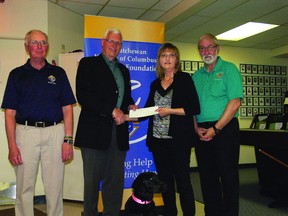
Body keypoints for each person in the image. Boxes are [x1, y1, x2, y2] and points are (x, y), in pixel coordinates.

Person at [1, 29, 76, 216]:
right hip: (26, 133)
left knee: (54, 187)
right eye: (35, 42)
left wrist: (68, 140)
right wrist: (12, 146)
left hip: (54, 133)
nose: (39, 46)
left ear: (47, 47)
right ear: (26, 46)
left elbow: (68, 109)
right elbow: (9, 113)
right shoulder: (16, 75)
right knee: (24, 188)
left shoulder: (58, 73)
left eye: (43, 42)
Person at [74, 28, 138, 216]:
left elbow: (125, 97)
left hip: (117, 133)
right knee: (92, 182)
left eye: (118, 43)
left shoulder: (124, 70)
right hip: (93, 133)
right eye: (111, 41)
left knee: (114, 182)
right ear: (103, 42)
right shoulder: (88, 64)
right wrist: (111, 110)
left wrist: (131, 106)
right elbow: (83, 95)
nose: (114, 46)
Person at [144, 42, 200, 216]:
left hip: (179, 142)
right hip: (158, 142)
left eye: (171, 55)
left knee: (183, 183)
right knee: (165, 183)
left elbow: (194, 108)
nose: (167, 58)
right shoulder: (155, 84)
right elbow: (148, 109)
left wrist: (170, 111)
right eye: (164, 55)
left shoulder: (185, 79)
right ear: (159, 60)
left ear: (177, 60)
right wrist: (131, 112)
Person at [192, 33, 243, 216]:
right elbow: (192, 107)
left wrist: (216, 129)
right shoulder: (195, 76)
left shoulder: (229, 69)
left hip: (225, 129)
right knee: (207, 179)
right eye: (202, 48)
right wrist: (196, 128)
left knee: (228, 179)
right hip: (202, 131)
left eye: (210, 47)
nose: (206, 51)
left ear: (217, 48)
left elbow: (235, 102)